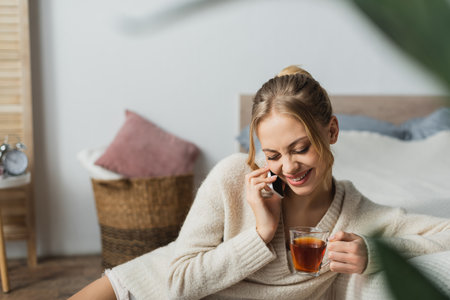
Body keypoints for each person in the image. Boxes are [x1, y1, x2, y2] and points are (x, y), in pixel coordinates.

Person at [70, 66, 450, 300]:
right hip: (141, 287)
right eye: (273, 154)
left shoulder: (358, 215)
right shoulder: (235, 177)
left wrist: (375, 253)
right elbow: (178, 283)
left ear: (331, 131)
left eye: (301, 148)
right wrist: (260, 234)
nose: (288, 166)